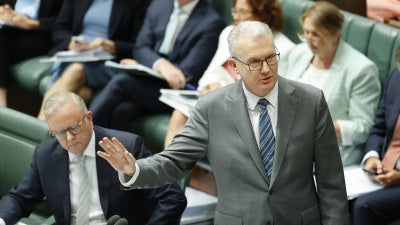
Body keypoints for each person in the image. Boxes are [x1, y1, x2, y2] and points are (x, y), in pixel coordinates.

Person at [97, 21, 350, 225]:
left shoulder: (311, 101)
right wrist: (133, 170)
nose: (266, 69)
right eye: (254, 61)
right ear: (234, 66)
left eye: (271, 57)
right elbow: (174, 161)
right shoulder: (211, 109)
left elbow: (331, 183)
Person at [0, 91, 186, 225]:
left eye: (74, 128)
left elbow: (172, 198)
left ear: (89, 118)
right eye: (60, 133)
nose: (69, 139)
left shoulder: (126, 146)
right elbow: (20, 198)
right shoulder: (45, 155)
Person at [163, 0, 295, 148]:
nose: (236, 17)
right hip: (215, 100)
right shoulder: (229, 33)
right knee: (179, 114)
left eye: (243, 12)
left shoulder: (283, 49)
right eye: (234, 11)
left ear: (263, 15)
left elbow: (266, 94)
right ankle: (172, 170)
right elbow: (208, 75)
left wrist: (221, 94)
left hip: (246, 111)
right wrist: (212, 86)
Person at [89, 0, 225, 131]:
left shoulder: (211, 22)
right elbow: (140, 47)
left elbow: (186, 72)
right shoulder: (159, 4)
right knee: (122, 110)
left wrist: (152, 65)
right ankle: (125, 154)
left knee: (122, 82)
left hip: (178, 91)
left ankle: (82, 132)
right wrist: (160, 64)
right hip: (150, 81)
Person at [280, 1, 381, 166]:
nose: (309, 40)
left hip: (328, 153)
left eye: (316, 34)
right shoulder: (299, 53)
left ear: (335, 34)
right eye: (305, 32)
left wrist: (320, 127)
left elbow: (363, 128)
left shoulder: (361, 70)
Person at [36, 0, 150, 120]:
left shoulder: (137, 3)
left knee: (77, 70)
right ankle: (46, 132)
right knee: (81, 93)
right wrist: (70, 43)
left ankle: (38, 130)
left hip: (109, 62)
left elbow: (138, 45)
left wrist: (111, 45)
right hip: (74, 55)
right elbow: (59, 27)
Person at [352, 47, 400, 225]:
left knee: (364, 207)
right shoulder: (396, 78)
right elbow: (379, 127)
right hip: (383, 171)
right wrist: (372, 156)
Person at [0, 0, 63, 107]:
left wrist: (32, 24)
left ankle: (1, 108)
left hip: (41, 34)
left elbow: (66, 20)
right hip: (8, 27)